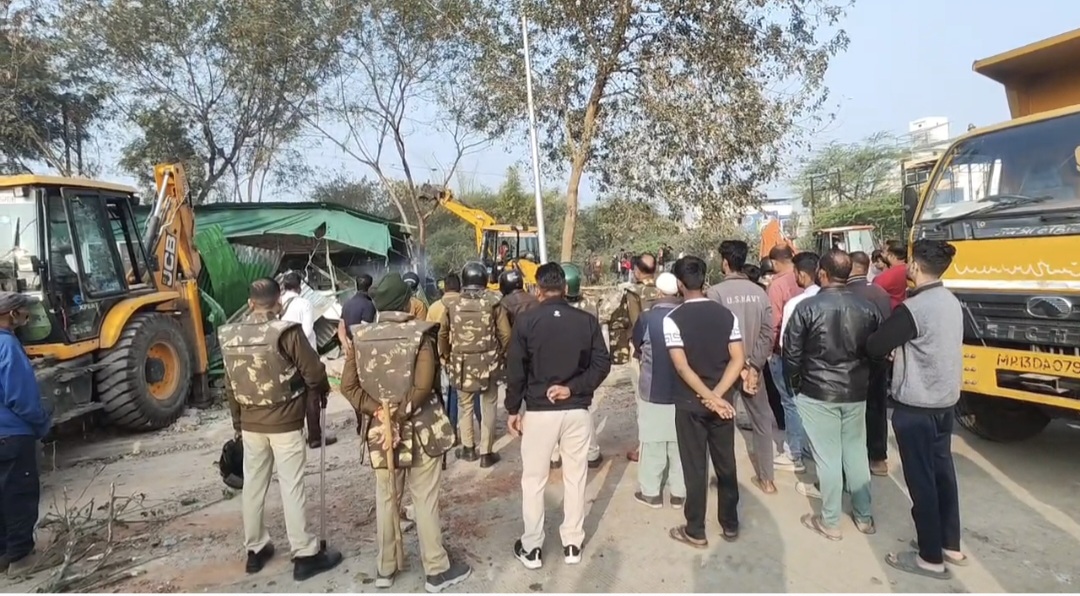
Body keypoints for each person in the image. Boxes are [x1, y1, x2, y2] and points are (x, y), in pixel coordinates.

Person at [340, 273, 472, 592]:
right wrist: (398, 415)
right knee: (424, 499)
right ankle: (436, 569)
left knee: (387, 498)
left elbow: (348, 386)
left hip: (381, 434)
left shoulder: (361, 337)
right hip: (422, 429)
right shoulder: (420, 335)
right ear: (406, 302)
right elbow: (423, 386)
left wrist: (380, 413)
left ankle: (386, 568)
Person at [217, 278, 342, 580]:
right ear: (279, 303)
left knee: (253, 485)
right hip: (285, 422)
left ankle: (255, 549)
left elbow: (230, 386)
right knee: (291, 485)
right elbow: (314, 372)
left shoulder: (230, 335)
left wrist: (238, 424)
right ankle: (304, 554)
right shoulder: (287, 333)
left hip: (251, 424)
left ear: (250, 304)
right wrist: (320, 392)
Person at [867, 240, 966, 580]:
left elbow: (875, 345)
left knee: (921, 480)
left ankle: (929, 558)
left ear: (915, 267)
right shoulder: (951, 301)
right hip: (945, 402)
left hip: (917, 406)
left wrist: (892, 351)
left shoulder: (914, 308)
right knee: (942, 474)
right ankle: (949, 544)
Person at [506, 263, 611, 570]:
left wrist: (513, 409)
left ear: (538, 290)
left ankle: (532, 547)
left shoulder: (526, 322)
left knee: (534, 480)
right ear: (565, 288)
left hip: (540, 412)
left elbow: (516, 369)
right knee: (575, 477)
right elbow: (602, 364)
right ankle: (573, 544)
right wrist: (572, 388)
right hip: (576, 410)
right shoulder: (586, 321)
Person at [782, 250, 882, 541]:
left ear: (822, 274)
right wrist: (866, 382)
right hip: (855, 390)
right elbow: (877, 352)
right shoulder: (867, 308)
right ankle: (864, 517)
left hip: (818, 391)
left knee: (828, 457)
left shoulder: (806, 307)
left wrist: (795, 386)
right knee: (855, 452)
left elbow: (791, 354)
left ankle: (830, 521)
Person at [663, 256, 745, 546]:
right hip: (724, 404)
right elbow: (738, 359)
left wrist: (708, 397)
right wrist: (719, 395)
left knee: (695, 467)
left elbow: (682, 367)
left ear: (680, 284)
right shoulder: (727, 315)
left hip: (690, 404)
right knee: (726, 463)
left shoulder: (673, 320)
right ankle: (730, 523)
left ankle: (695, 529)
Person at [707, 241, 779, 495]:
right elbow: (767, 333)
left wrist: (738, 368)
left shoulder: (715, 293)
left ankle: (724, 478)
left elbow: (716, 336)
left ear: (725, 262)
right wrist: (754, 367)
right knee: (762, 421)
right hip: (754, 370)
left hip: (725, 369)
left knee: (720, 423)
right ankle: (767, 479)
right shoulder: (760, 293)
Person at [438, 262, 512, 468]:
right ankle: (486, 452)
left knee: (466, 405)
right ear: (484, 280)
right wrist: (501, 354)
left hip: (461, 363)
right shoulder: (494, 302)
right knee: (489, 404)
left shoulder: (452, 304)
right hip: (488, 362)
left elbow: (442, 333)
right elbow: (506, 334)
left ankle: (469, 448)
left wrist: (446, 355)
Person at [0, 292, 52, 577]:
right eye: (21, 310)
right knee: (18, 494)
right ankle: (20, 559)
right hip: (12, 435)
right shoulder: (7, 345)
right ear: (11, 314)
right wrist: (42, 423)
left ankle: (3, 555)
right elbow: (20, 397)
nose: (24, 316)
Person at [630, 272, 685, 508]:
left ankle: (651, 493)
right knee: (680, 442)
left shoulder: (646, 318)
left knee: (652, 442)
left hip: (653, 389)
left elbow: (637, 345)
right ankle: (679, 493)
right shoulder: (686, 316)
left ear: (658, 292)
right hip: (684, 389)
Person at [550, 263, 604, 469]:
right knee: (583, 410)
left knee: (554, 407)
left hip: (556, 364)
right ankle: (591, 453)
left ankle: (555, 454)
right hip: (583, 366)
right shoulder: (590, 305)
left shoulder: (552, 309)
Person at [847, 251, 892, 476]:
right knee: (877, 407)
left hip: (850, 360)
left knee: (850, 411)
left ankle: (852, 458)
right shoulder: (879, 292)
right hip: (877, 359)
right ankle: (877, 457)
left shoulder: (845, 293)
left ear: (852, 267)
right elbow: (887, 326)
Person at [281, 271, 336, 449]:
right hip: (305, 355)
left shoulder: (279, 304)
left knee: (294, 396)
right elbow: (306, 331)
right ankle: (315, 436)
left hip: (285, 356)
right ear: (299, 287)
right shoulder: (304, 303)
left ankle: (297, 436)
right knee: (313, 394)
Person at [770, 248, 812, 474]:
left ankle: (794, 452)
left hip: (787, 354)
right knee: (807, 402)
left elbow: (775, 325)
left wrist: (770, 352)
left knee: (790, 402)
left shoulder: (778, 286)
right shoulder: (819, 292)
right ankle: (806, 447)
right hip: (813, 357)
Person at [620, 253, 662, 463]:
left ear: (636, 271)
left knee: (642, 400)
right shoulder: (665, 289)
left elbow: (636, 324)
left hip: (642, 353)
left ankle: (644, 447)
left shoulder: (633, 293)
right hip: (667, 351)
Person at [428, 274, 466, 431]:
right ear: (460, 287)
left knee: (448, 394)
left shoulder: (434, 307)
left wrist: (442, 355)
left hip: (444, 357)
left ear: (445, 288)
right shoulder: (466, 304)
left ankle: (451, 429)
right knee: (472, 396)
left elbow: (430, 335)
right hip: (465, 354)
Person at [338, 273, 376, 345]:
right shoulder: (368, 305)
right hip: (361, 346)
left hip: (349, 344)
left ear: (356, 286)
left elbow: (341, 327)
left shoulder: (347, 304)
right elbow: (365, 331)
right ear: (370, 288)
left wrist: (346, 345)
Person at [873, 240, 909, 311]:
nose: (882, 254)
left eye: (884, 252)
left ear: (892, 256)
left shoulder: (885, 277)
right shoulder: (911, 269)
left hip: (893, 311)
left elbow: (873, 292)